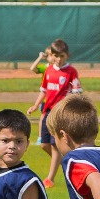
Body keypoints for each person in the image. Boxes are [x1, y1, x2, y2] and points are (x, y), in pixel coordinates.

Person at [27, 39, 82, 189]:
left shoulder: (71, 71)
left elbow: (77, 91)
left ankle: (49, 179)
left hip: (60, 113)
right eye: (56, 56)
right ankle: (68, 162)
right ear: (52, 55)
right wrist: (36, 105)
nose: (59, 59)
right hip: (48, 111)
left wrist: (70, 107)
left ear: (67, 56)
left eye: (62, 56)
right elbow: (44, 90)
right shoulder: (49, 70)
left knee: (54, 145)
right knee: (44, 144)